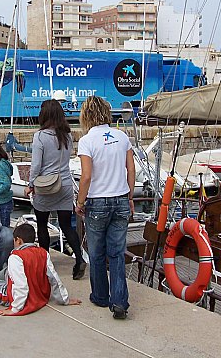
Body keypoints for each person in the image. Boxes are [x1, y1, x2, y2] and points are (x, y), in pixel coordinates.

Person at [75, 96, 135, 320]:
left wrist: (80, 203)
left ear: (86, 115)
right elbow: (131, 170)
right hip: (120, 199)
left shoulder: (87, 141)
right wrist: (129, 196)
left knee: (97, 252)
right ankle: (119, 300)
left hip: (97, 202)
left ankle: (100, 296)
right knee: (117, 253)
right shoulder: (121, 136)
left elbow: (86, 176)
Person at [24, 99, 86, 280]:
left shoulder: (40, 137)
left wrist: (30, 184)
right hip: (65, 183)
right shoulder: (66, 135)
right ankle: (79, 258)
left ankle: (45, 263)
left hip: (46, 185)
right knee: (66, 225)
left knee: (42, 225)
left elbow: (36, 165)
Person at [0, 223, 81, 316]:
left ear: (18, 240)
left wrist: (15, 309)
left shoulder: (16, 256)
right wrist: (64, 300)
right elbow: (54, 278)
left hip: (13, 297)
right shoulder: (43, 253)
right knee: (4, 272)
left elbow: (21, 285)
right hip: (40, 295)